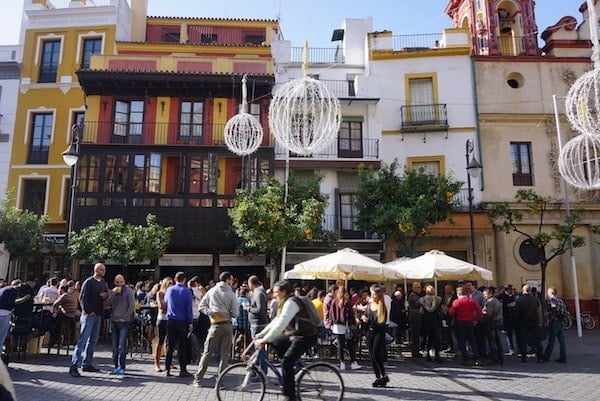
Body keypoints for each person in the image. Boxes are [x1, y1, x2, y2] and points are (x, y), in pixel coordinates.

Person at [255, 280, 319, 401]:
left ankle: (290, 396)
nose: (274, 295)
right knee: (275, 341)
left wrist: (264, 339)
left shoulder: (291, 303)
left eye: (276, 292)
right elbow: (276, 321)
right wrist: (263, 334)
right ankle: (291, 368)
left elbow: (281, 324)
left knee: (286, 362)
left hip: (306, 336)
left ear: (284, 292)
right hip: (295, 334)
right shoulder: (284, 302)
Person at [193, 271, 238, 387]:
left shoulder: (211, 291)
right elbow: (236, 314)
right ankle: (220, 382)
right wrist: (227, 312)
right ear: (228, 280)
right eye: (231, 280)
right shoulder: (231, 294)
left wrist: (210, 312)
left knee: (207, 352)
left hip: (214, 324)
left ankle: (198, 379)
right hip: (227, 324)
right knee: (224, 355)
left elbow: (201, 306)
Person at [70, 263, 109, 377]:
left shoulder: (103, 283)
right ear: (96, 270)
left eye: (104, 269)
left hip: (98, 314)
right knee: (82, 340)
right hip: (89, 315)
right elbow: (82, 297)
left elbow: (106, 295)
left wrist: (105, 295)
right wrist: (88, 310)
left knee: (92, 341)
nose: (104, 271)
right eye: (102, 269)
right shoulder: (89, 282)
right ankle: (74, 365)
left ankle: (87, 363)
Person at [164, 271, 194, 378]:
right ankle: (183, 370)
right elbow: (188, 309)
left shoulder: (169, 289)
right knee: (182, 346)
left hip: (171, 320)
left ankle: (167, 368)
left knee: (170, 345)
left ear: (175, 279)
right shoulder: (187, 291)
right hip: (182, 321)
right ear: (184, 279)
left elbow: (166, 301)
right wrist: (190, 322)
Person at [105, 274, 135, 375]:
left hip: (124, 322)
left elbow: (132, 305)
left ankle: (122, 366)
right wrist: (113, 293)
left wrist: (125, 317)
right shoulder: (113, 291)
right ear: (115, 282)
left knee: (122, 345)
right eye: (117, 282)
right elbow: (107, 304)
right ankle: (115, 366)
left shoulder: (128, 291)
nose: (119, 284)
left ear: (124, 281)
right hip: (114, 320)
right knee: (114, 345)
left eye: (121, 282)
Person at [360, 284, 388, 387]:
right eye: (372, 294)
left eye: (374, 295)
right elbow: (365, 315)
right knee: (372, 356)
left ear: (379, 295)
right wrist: (363, 317)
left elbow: (382, 323)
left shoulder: (382, 307)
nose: (372, 296)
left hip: (378, 333)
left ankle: (383, 375)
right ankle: (378, 377)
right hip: (369, 332)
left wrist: (370, 321)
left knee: (376, 355)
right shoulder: (369, 305)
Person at [326, 286, 361, 371]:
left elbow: (331, 313)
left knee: (340, 346)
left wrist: (331, 323)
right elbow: (351, 315)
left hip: (337, 325)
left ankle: (342, 363)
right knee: (350, 345)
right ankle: (353, 362)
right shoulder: (347, 302)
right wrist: (354, 322)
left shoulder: (334, 301)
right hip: (346, 325)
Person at [448, 286, 483, 366]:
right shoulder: (472, 301)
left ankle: (465, 359)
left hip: (460, 323)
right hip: (470, 322)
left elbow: (451, 313)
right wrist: (476, 320)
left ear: (459, 293)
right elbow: (479, 311)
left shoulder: (456, 302)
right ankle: (477, 358)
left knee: (462, 341)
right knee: (472, 341)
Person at [514, 284, 544, 363]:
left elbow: (517, 313)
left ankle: (524, 357)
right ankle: (540, 357)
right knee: (537, 340)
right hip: (534, 322)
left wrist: (517, 321)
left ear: (523, 291)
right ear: (530, 290)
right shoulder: (535, 299)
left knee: (523, 340)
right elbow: (538, 311)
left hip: (523, 322)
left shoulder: (519, 300)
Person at [247, 275, 268, 373]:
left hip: (258, 325)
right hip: (257, 324)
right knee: (259, 349)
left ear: (251, 284)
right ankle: (260, 372)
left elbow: (261, 310)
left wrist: (249, 309)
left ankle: (261, 372)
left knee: (259, 350)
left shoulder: (258, 293)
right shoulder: (259, 292)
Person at [418, 284, 443, 362]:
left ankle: (428, 354)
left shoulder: (421, 300)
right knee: (437, 338)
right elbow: (442, 310)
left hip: (426, 321)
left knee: (428, 338)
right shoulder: (439, 299)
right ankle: (437, 355)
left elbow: (420, 311)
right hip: (436, 321)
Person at [542, 287, 567, 363]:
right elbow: (564, 311)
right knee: (562, 341)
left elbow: (553, 311)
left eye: (548, 292)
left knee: (551, 340)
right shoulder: (561, 301)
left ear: (551, 293)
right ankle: (563, 356)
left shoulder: (551, 301)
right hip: (561, 322)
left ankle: (546, 356)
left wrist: (550, 317)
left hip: (554, 322)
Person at [153, 277, 173, 372]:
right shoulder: (160, 293)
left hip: (171, 319)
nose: (171, 285)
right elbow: (161, 306)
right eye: (169, 283)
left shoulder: (173, 293)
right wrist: (171, 307)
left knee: (170, 341)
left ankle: (169, 361)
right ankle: (156, 362)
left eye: (172, 283)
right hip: (162, 319)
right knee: (160, 340)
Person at [482, 287, 504, 366]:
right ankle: (500, 358)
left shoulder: (490, 302)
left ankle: (495, 358)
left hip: (492, 323)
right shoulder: (497, 301)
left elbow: (488, 315)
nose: (484, 296)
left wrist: (482, 316)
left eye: (485, 294)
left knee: (492, 341)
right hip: (497, 322)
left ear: (490, 294)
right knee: (497, 341)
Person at [407, 281, 423, 358]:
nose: (420, 289)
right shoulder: (413, 296)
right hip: (415, 318)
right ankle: (415, 352)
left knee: (416, 335)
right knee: (415, 335)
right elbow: (418, 303)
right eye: (418, 287)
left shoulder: (416, 295)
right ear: (414, 288)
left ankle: (416, 350)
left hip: (416, 317)